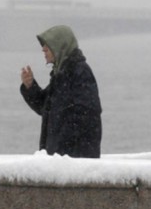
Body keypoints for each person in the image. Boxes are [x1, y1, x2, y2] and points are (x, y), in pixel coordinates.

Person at [20, 25, 102, 158]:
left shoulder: (80, 72)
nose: (43, 49)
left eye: (48, 45)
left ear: (59, 46)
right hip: (60, 159)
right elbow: (44, 107)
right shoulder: (61, 74)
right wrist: (30, 87)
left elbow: (87, 116)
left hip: (73, 161)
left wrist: (63, 151)